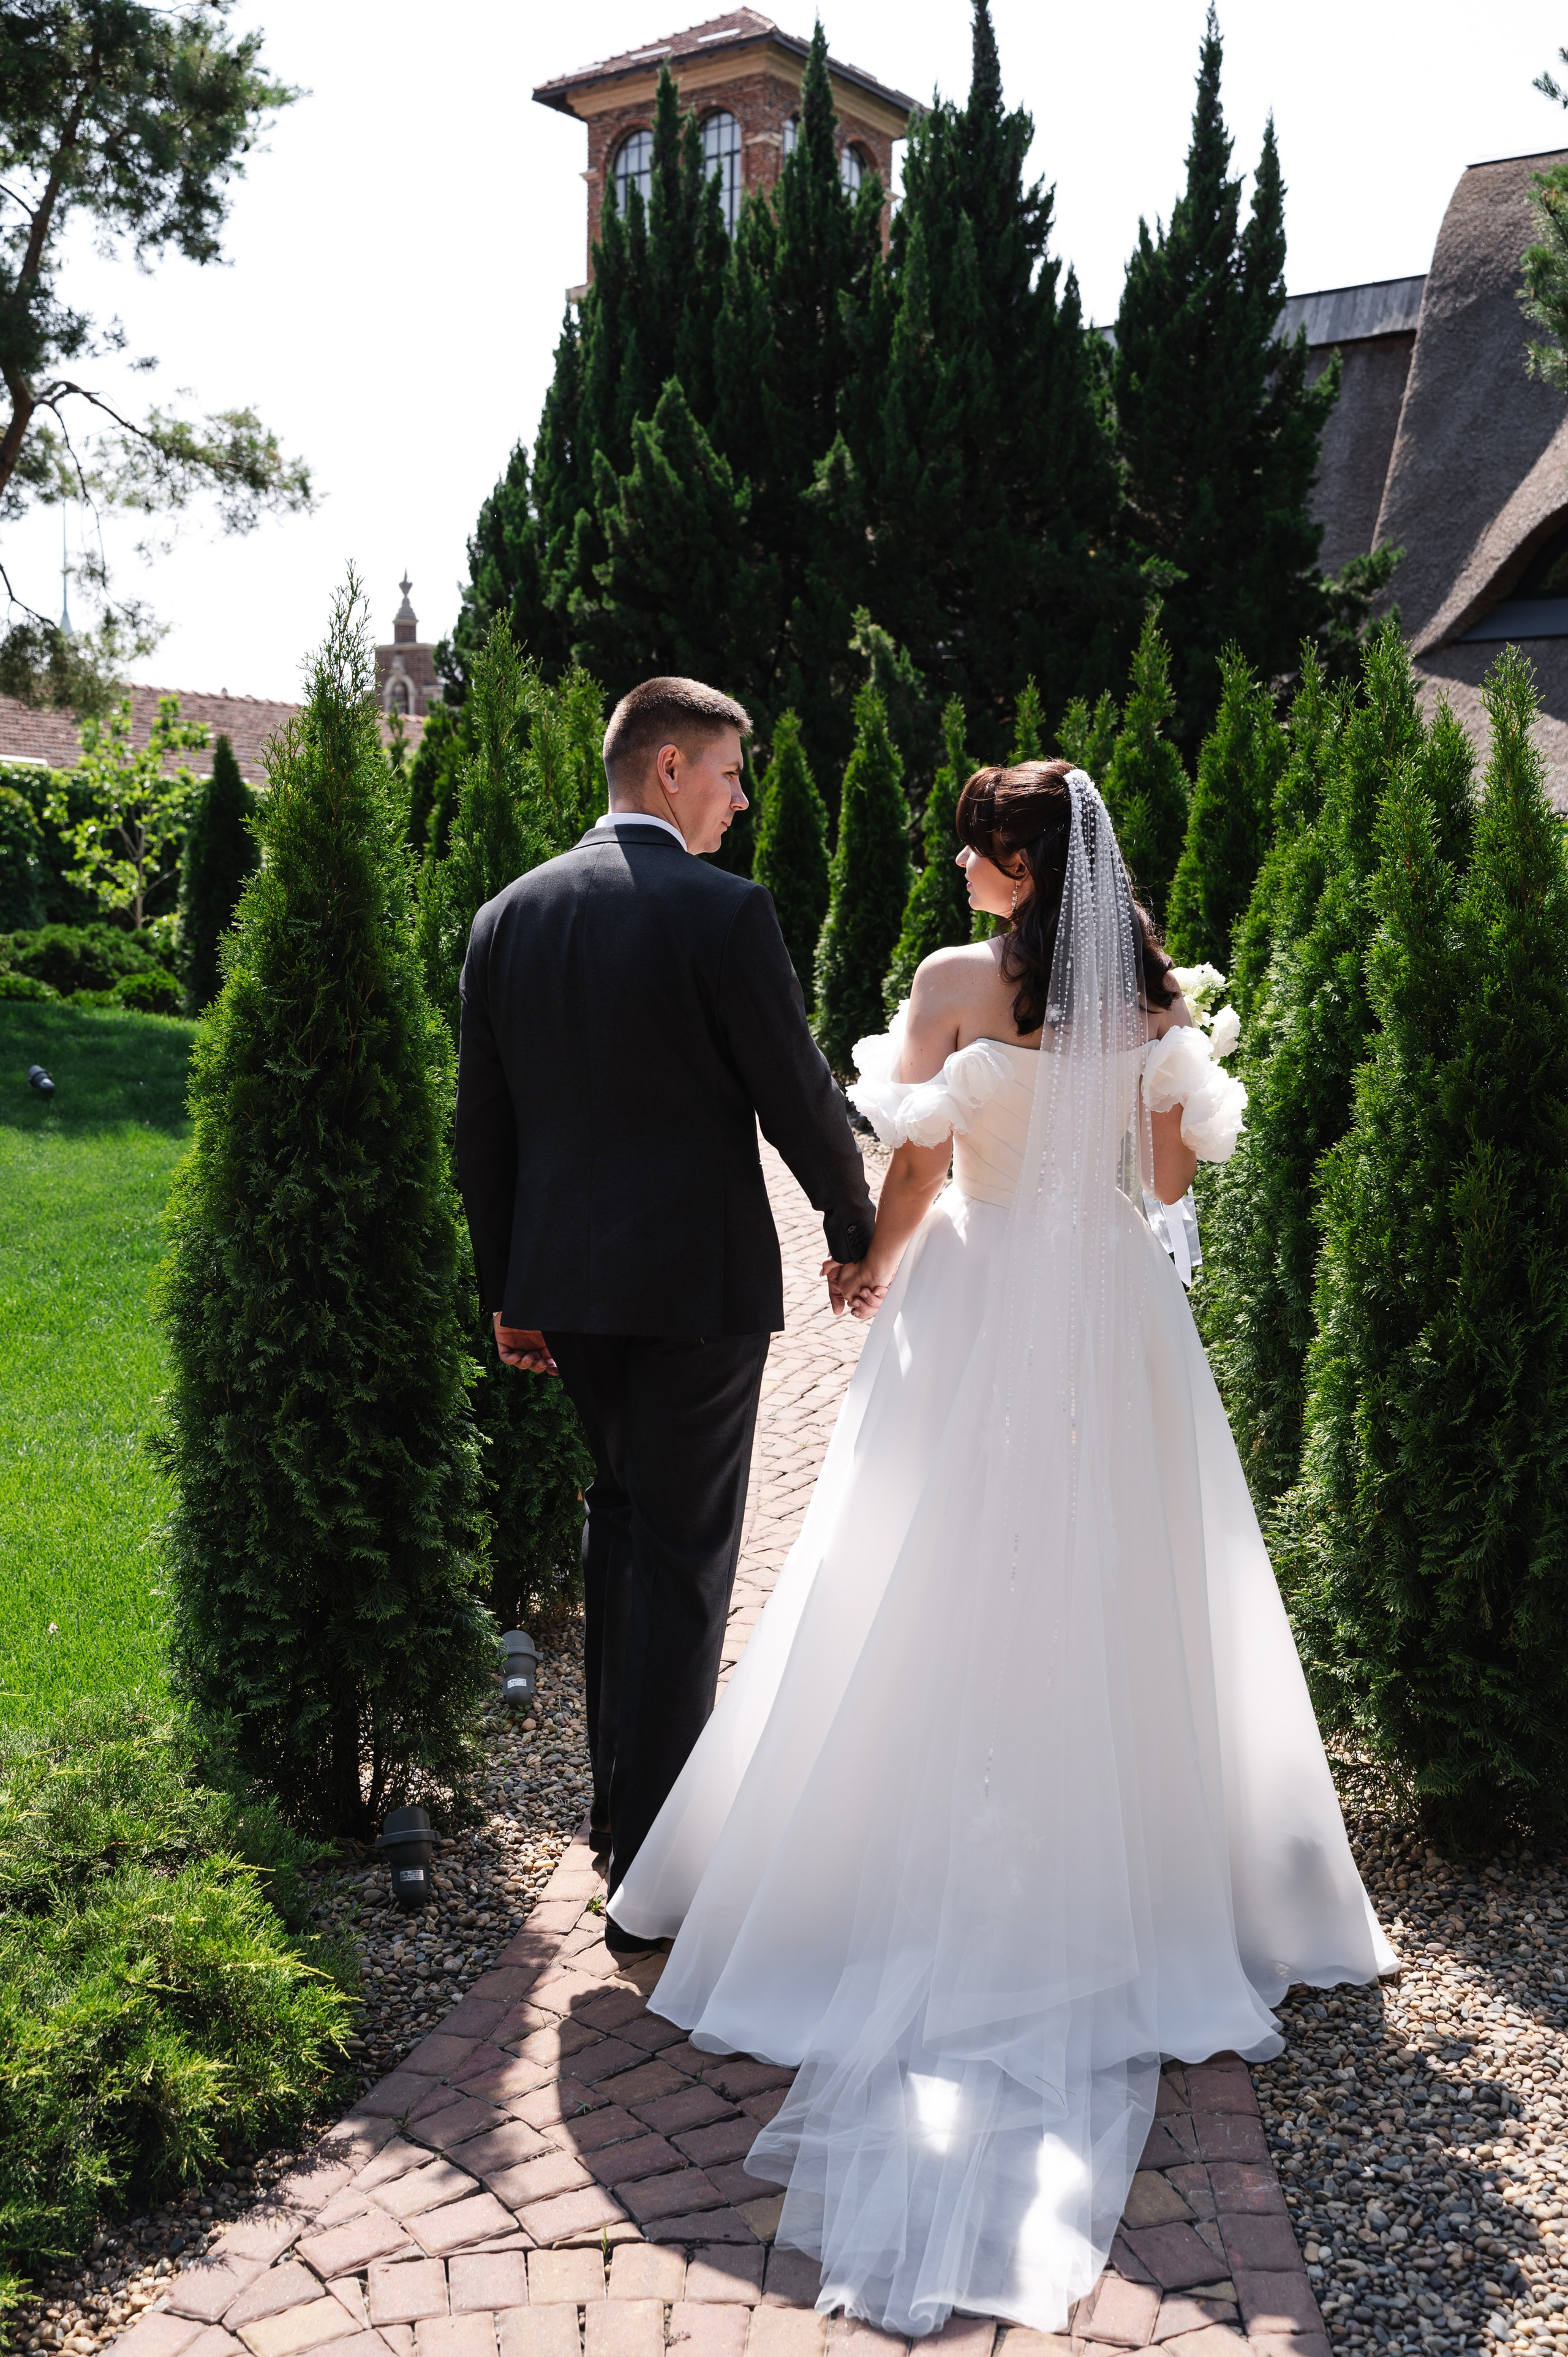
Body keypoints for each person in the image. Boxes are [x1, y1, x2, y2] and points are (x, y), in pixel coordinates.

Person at [612, 763, 1394, 2337]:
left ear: (1005, 860)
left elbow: (910, 1161)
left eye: (969, 844)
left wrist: (867, 1263)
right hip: (1107, 1310)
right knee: (1132, 1584)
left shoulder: (949, 984)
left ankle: (859, 1862)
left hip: (969, 1300)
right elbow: (1162, 1182)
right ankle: (1166, 1881)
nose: (957, 866)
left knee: (907, 1565)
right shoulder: (1152, 994)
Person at [454, 675, 875, 1952]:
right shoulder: (723, 913)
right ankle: (655, 1860)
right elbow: (796, 1092)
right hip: (693, 1291)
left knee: (622, 1518)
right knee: (686, 1558)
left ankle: (620, 1820)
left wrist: (506, 1291)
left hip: (570, 1295)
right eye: (734, 774)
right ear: (671, 769)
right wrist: (854, 1230)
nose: (743, 802)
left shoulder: (506, 914)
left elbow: (483, 1131)